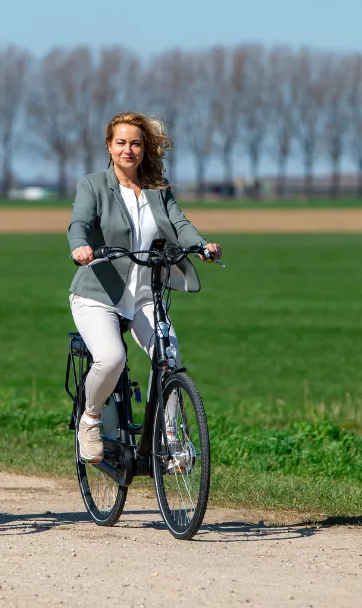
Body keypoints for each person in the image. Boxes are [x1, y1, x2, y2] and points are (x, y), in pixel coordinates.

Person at [67, 111, 222, 462]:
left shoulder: (157, 189)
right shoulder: (92, 185)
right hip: (98, 294)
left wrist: (201, 246)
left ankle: (170, 436)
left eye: (135, 143)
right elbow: (79, 222)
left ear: (144, 148)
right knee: (111, 358)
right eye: (121, 143)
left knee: (169, 355)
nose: (128, 150)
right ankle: (90, 419)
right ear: (109, 147)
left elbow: (180, 224)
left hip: (145, 294)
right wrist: (80, 247)